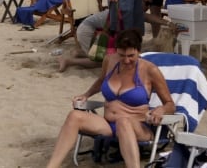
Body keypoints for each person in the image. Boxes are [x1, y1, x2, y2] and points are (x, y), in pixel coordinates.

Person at [46, 30, 175, 168]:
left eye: (131, 56)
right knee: (74, 116)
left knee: (123, 122)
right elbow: (102, 81)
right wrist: (86, 94)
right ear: (116, 51)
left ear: (138, 51)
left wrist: (161, 109)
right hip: (108, 125)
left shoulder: (150, 70)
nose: (126, 60)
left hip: (137, 127)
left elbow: (170, 104)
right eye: (122, 55)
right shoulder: (110, 60)